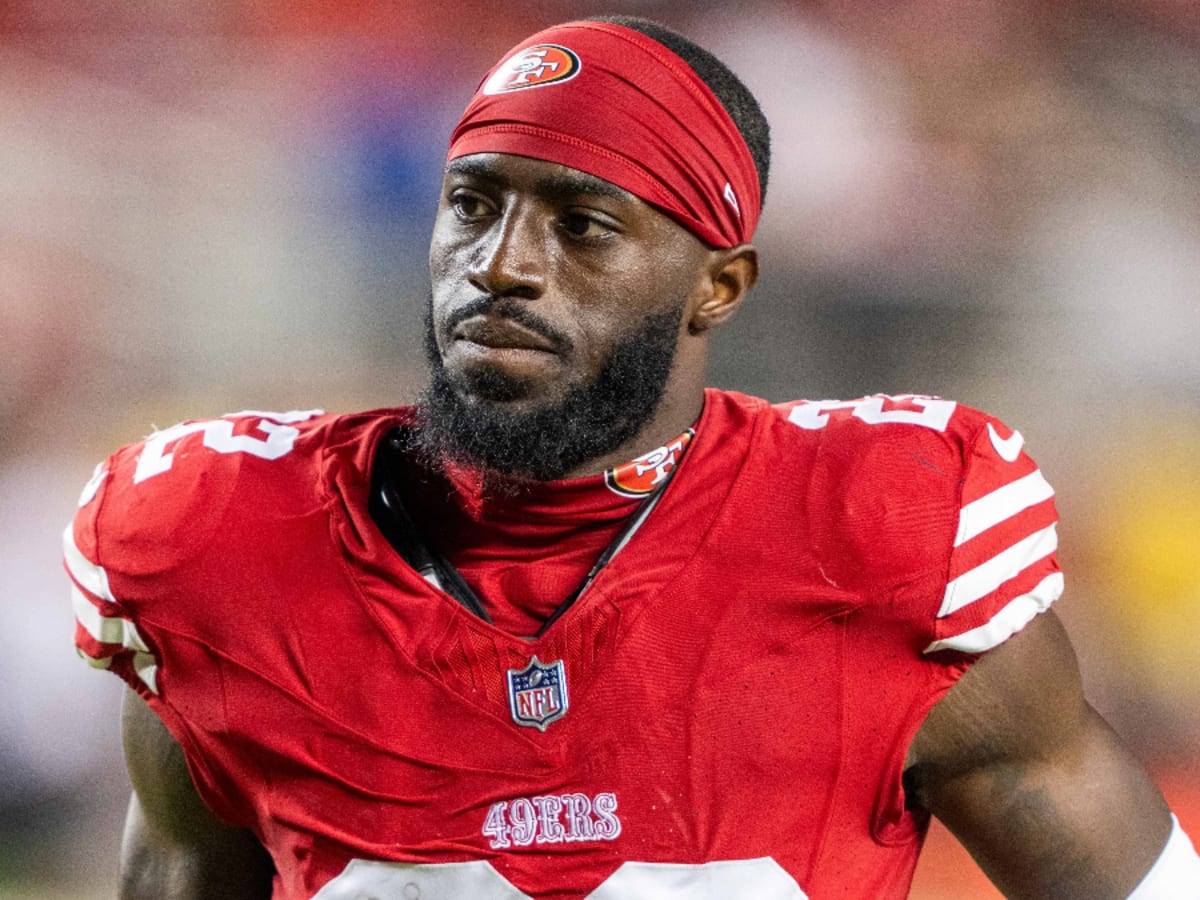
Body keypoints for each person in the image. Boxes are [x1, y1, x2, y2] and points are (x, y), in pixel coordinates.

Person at [63, 15, 1198, 900]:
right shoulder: (222, 551)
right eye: (472, 204)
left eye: (581, 224)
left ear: (718, 285)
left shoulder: (883, 540)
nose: (500, 264)